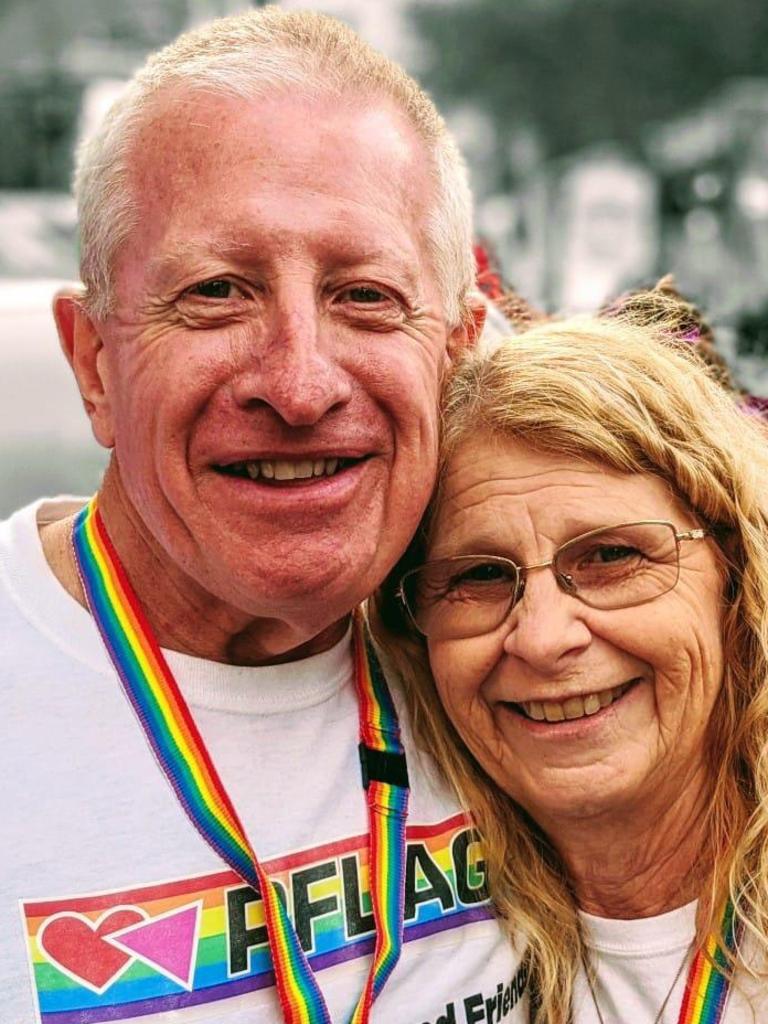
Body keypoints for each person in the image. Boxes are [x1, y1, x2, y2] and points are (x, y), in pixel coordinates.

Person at [0, 9, 529, 1023]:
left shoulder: (535, 662)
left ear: (455, 351)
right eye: (215, 292)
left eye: (366, 295)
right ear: (94, 363)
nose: (299, 382)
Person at [372, 294, 768, 1023]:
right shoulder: (412, 932)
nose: (544, 637)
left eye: (613, 556)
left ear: (737, 574)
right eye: (480, 576)